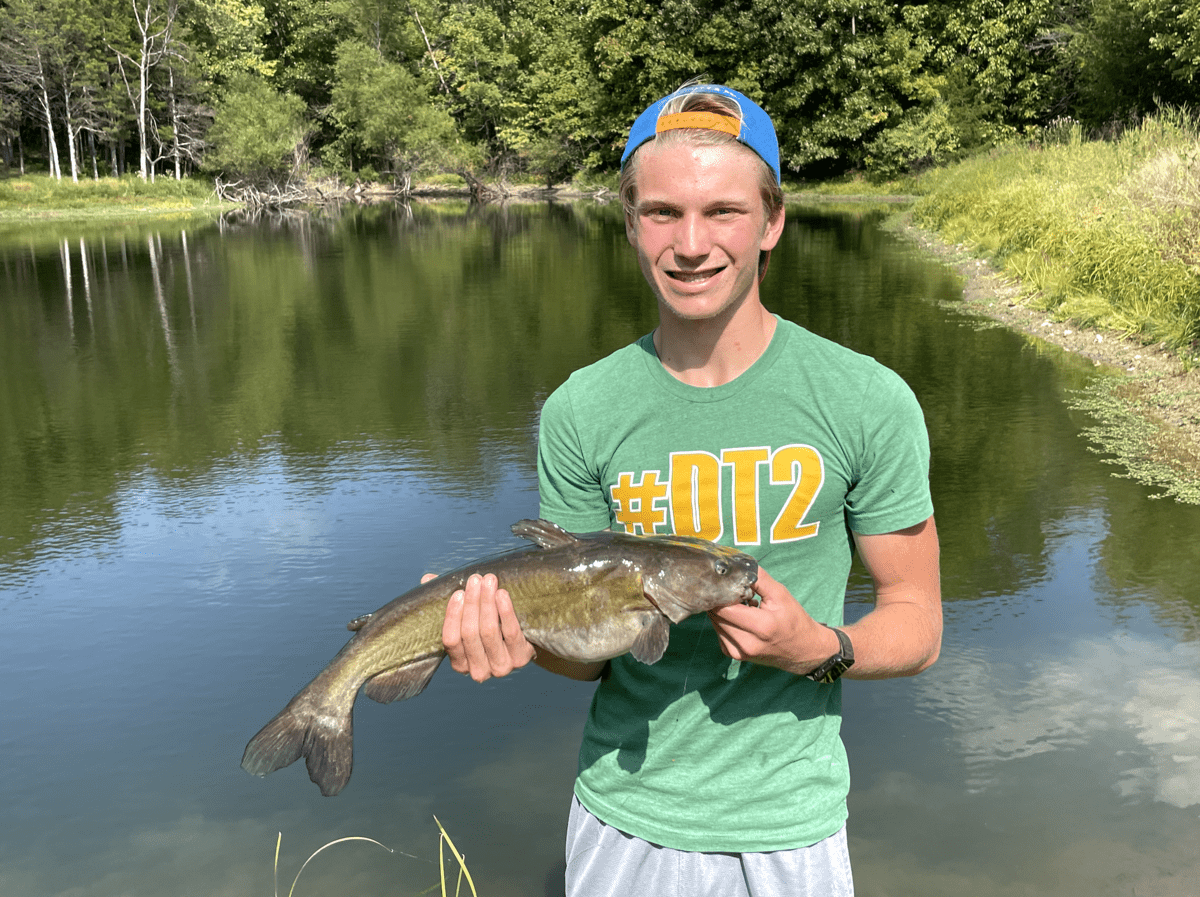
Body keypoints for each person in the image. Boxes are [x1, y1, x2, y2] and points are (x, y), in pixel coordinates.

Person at [438, 82, 942, 896]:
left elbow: (917, 621)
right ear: (631, 223)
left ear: (772, 221)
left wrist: (821, 648)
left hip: (792, 822)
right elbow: (586, 658)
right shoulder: (581, 408)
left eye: (723, 212)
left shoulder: (867, 399)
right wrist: (514, 637)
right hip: (623, 813)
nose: (692, 244)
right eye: (663, 212)